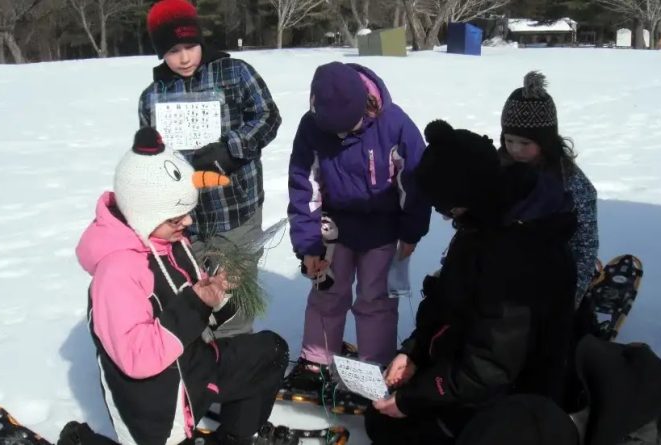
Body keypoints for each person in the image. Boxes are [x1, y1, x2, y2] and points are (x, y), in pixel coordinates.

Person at [364, 120, 578, 444]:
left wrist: (415, 398)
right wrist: (414, 353)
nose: (447, 218)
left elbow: (491, 367)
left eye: (447, 209)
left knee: (394, 426)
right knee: (382, 417)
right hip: (469, 368)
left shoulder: (519, 253)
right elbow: (446, 302)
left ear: (465, 198)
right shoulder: (482, 223)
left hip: (515, 396)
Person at [75, 127, 288, 445]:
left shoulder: (169, 242)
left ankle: (235, 437)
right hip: (159, 408)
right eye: (177, 218)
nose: (187, 223)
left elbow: (195, 315)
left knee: (269, 353)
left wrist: (218, 295)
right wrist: (196, 304)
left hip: (196, 367)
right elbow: (139, 357)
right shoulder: (117, 274)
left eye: (188, 214)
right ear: (143, 215)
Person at [285, 62, 431, 394]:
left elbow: (415, 182)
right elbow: (303, 187)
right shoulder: (311, 128)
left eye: (348, 128)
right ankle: (316, 361)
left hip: (382, 227)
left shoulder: (394, 124)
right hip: (333, 228)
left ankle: (375, 362)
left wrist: (411, 232)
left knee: (375, 297)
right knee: (327, 292)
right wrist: (309, 246)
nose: (340, 137)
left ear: (366, 105)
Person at [138, 0, 282, 337]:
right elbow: (148, 156)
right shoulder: (153, 96)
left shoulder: (235, 72)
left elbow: (268, 117)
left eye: (190, 46)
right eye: (173, 50)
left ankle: (237, 376)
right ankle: (202, 375)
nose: (184, 57)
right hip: (184, 224)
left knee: (232, 304)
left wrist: (231, 149)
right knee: (194, 302)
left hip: (236, 213)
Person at [499, 71, 598, 306]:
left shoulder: (569, 182)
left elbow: (585, 243)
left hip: (553, 272)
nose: (515, 149)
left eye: (525, 143)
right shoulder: (499, 168)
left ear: (545, 141)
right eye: (509, 140)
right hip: (502, 269)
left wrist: (573, 295)